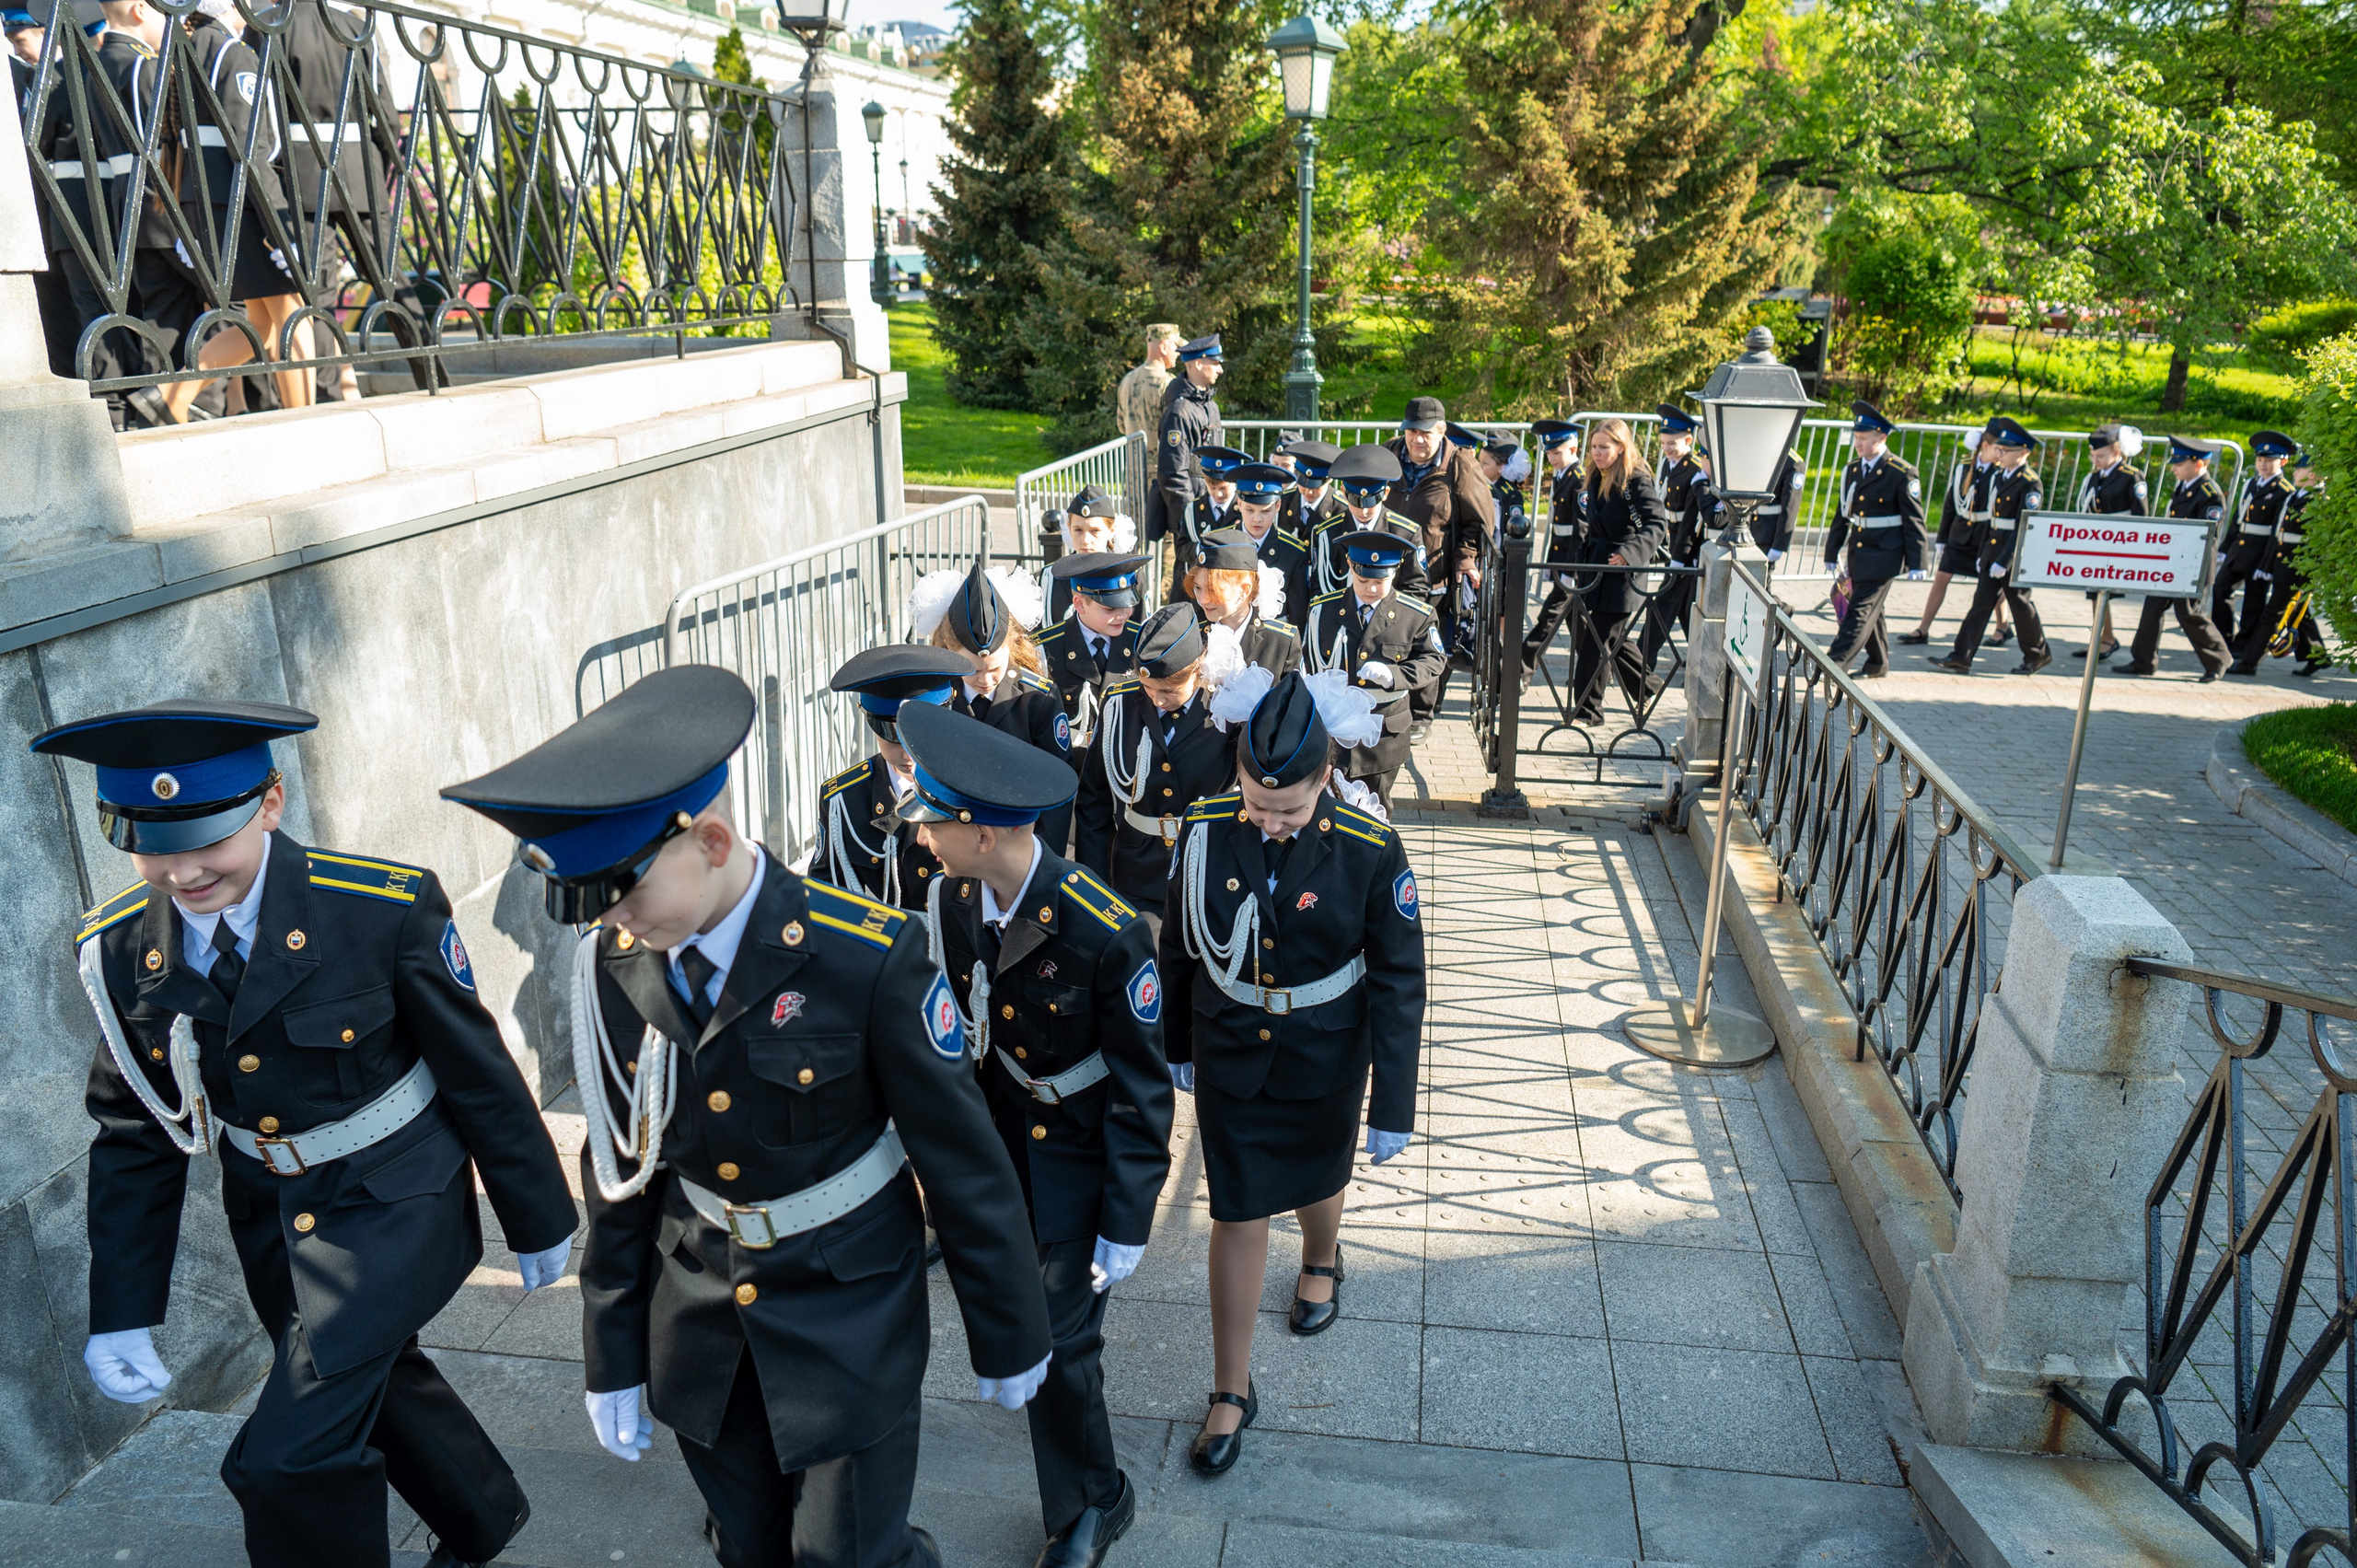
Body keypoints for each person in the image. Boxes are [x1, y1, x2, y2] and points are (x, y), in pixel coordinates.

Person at [439, 667, 1053, 1568]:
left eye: (624, 893)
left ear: (713, 841)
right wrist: (612, 1347)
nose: (611, 921)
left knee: (849, 1557)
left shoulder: (866, 958)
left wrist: (1009, 1330)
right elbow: (620, 1174)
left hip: (849, 1320)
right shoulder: (613, 967)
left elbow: (963, 1162)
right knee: (754, 1551)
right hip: (704, 1332)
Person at [39, 699, 577, 1568]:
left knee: (287, 1461)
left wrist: (539, 1213)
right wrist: (123, 1315)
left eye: (208, 836)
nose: (181, 871)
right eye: (151, 843)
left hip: (397, 1203)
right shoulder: (118, 950)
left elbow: (475, 1067)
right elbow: (136, 1132)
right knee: (372, 1375)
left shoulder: (378, 908)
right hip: (272, 1218)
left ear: (271, 803)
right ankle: (486, 1513)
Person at [898, 700, 1173, 1568]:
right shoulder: (950, 900)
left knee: (1062, 1339)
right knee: (1024, 1323)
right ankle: (1088, 1482)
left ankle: (1096, 1498)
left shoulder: (1106, 928)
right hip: (998, 1157)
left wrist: (1128, 1217)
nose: (920, 836)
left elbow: (1142, 1091)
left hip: (1080, 1163)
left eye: (934, 821)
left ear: (982, 832)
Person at [1161, 669, 1424, 1476]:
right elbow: (1177, 946)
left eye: (1290, 807)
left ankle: (1321, 1255)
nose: (1270, 822)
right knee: (1235, 1210)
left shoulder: (1370, 846)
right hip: (1232, 1043)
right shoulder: (1204, 829)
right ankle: (1230, 1388)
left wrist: (1395, 1101)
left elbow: (1400, 975)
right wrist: (1176, 1041)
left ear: (1327, 779)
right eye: (1255, 801)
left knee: (1317, 1177)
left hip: (1325, 1048)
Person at [1074, 604, 1240, 930]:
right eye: (1148, 688)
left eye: (1168, 692)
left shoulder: (1227, 710)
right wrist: (1094, 889)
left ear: (1198, 669)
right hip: (1135, 874)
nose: (1156, 701)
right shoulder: (1120, 703)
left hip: (1207, 870)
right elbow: (1094, 800)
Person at [817, 645, 975, 907]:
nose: (908, 754)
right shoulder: (844, 800)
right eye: (892, 737)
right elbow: (828, 893)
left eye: (923, 736)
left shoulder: (978, 785)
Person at [1302, 532, 1448, 808]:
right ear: (1349, 565)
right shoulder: (1323, 609)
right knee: (1326, 804)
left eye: (1379, 582)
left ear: (1395, 572)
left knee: (1376, 807)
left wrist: (1395, 676)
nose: (1370, 589)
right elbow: (1309, 662)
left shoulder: (1415, 614)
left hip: (1383, 734)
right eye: (1363, 580)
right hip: (1334, 730)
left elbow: (1434, 660)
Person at [1385, 396, 1493, 738]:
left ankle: (1421, 714)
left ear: (1442, 431)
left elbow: (1480, 521)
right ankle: (1388, 705)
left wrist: (1465, 558)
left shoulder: (1459, 465)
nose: (1418, 440)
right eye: (1412, 431)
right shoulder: (1388, 453)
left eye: (1426, 433)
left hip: (1433, 573)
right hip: (1387, 568)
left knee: (1425, 643)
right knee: (1388, 638)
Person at [1559, 418, 1670, 724]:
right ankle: (1650, 686)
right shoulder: (1596, 476)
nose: (1596, 452)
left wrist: (1628, 553)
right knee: (1613, 640)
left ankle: (1588, 709)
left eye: (1604, 447)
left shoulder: (1636, 479)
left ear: (1621, 448)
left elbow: (1657, 524)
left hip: (1624, 574)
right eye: (1594, 447)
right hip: (1599, 568)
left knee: (1600, 638)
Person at [1930, 416, 2054, 676]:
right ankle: (1961, 656)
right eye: (2000, 449)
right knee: (1980, 605)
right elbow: (1992, 518)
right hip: (1993, 551)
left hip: (2013, 554)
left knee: (2020, 606)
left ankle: (2038, 654)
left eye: (2006, 451)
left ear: (2024, 452)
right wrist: (1983, 552)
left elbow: (2023, 527)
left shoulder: (2030, 483)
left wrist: (2004, 560)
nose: (2000, 454)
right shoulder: (2000, 475)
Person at [1820, 401, 1928, 680]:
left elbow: (1914, 520)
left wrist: (1918, 562)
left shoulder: (1901, 472)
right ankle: (1878, 663)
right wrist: (1831, 552)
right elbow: (1842, 514)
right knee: (1872, 610)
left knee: (1859, 611)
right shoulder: (1853, 471)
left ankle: (1833, 666)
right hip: (1860, 550)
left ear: (1882, 437)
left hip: (1886, 554)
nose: (1858, 443)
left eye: (1864, 438)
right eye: (1856, 438)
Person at [2112, 436, 2232, 681]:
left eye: (2179, 463)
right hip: (2172, 562)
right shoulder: (2186, 486)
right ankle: (2143, 661)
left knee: (2188, 614)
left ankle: (2219, 659)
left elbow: (2207, 533)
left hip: (2192, 565)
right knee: (2152, 608)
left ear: (2198, 463)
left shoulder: (2210, 493)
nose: (2174, 468)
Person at [1901, 427, 2008, 647]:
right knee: (1941, 577)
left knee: (1991, 585)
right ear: (1984, 446)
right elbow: (1951, 504)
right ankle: (1923, 628)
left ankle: (2003, 626)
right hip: (1960, 534)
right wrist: (1941, 538)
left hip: (1985, 535)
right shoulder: (1964, 468)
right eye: (1998, 448)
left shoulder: (2000, 472)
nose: (2001, 454)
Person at [1037, 552, 1147, 741]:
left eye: (1128, 604)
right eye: (1110, 608)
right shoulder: (1045, 649)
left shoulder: (1143, 642)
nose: (1122, 615)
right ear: (1080, 604)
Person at [2232, 459, 2328, 677]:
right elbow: (2279, 533)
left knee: (2272, 614)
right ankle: (2317, 656)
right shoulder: (2295, 496)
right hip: (2283, 561)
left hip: (2299, 566)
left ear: (2313, 476)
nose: (2295, 472)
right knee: (2298, 612)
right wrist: (2268, 563)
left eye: (2301, 469)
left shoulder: (2319, 501)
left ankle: (2250, 661)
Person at [1638, 406, 1714, 672]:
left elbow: (1690, 523)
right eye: (1664, 443)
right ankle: (1702, 664)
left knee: (1661, 612)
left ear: (1689, 441)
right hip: (1674, 549)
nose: (1667, 448)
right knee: (1685, 615)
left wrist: (1679, 560)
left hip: (1687, 553)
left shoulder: (1693, 470)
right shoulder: (1669, 465)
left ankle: (1640, 669)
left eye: (1672, 443)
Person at [2212, 430, 2298, 646]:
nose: (2263, 465)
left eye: (2270, 460)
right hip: (2240, 547)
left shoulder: (2284, 490)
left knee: (2254, 599)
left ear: (2284, 461)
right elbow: (2238, 518)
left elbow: (2277, 529)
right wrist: (2225, 547)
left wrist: (2268, 562)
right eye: (2260, 460)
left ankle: (2244, 643)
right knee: (2220, 588)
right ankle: (2222, 637)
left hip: (2261, 550)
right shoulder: (2251, 483)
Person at [1315, 446, 1429, 610]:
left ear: (1386, 493)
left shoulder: (1406, 533)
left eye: (1371, 502)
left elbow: (1416, 588)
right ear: (1343, 493)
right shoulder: (1327, 533)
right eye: (1356, 502)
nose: (1364, 510)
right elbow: (1319, 588)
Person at [1145, 333, 1225, 573]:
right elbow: (1173, 472)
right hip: (1192, 514)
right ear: (1199, 363)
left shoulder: (1209, 406)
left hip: (1210, 507)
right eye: (1215, 362)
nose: (1220, 369)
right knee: (1187, 583)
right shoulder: (1180, 411)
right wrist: (1192, 514)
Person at [2071, 424, 2147, 660]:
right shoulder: (2094, 477)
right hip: (2097, 542)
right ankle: (2103, 637)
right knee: (2094, 591)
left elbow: (2140, 514)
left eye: (2101, 456)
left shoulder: (2131, 476)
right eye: (2094, 456)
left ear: (2118, 451)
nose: (2097, 461)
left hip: (2119, 542)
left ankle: (2106, 638)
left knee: (2103, 591)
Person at [1189, 528, 1302, 679]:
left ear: (1244, 590)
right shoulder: (1193, 638)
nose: (1203, 599)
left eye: (1212, 589)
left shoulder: (1281, 642)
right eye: (1197, 588)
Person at [1523, 418, 1585, 676]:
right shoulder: (1564, 476)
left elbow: (1580, 531)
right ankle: (1598, 669)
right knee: (1578, 623)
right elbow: (1559, 530)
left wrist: (1570, 571)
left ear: (1573, 449)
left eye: (1556, 452)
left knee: (1548, 616)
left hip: (1572, 563)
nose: (1551, 457)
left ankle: (1522, 666)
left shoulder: (1579, 479)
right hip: (1562, 560)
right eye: (1548, 452)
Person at [1227, 462, 1314, 633]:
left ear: (1278, 506)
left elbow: (1297, 613)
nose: (1257, 519)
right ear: (1239, 503)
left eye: (1265, 511)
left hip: (1272, 641)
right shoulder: (1222, 544)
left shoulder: (1294, 552)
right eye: (1250, 510)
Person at [1042, 487, 1136, 624]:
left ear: (1111, 530)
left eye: (1095, 531)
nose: (1085, 540)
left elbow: (1142, 634)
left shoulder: (1130, 574)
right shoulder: (1050, 577)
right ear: (1069, 528)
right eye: (1078, 530)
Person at [1167, 445, 1247, 601]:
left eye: (1224, 488)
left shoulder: (1244, 510)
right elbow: (1181, 549)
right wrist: (1202, 549)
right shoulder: (1193, 509)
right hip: (1199, 591)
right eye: (1212, 487)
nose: (1218, 493)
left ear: (1235, 482)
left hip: (1231, 591)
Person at [1116, 324, 1182, 439]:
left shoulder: (1127, 380)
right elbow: (1177, 428)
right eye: (1176, 346)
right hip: (1162, 457)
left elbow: (1121, 426)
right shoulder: (1168, 383)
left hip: (1134, 457)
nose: (1178, 353)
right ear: (1164, 348)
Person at [1278, 439, 1343, 542]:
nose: (1309, 491)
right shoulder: (1283, 501)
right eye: (1303, 484)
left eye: (1315, 486)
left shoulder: (1341, 509)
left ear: (1329, 479)